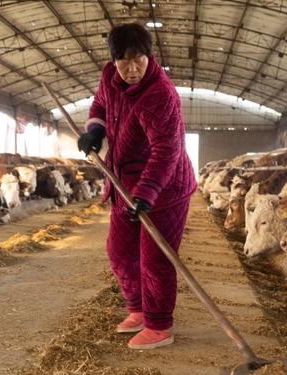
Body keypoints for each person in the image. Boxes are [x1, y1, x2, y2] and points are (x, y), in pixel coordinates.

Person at [78, 23, 197, 349]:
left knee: (155, 258)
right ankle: (139, 309)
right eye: (123, 61)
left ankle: (160, 326)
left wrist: (146, 193)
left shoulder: (160, 94)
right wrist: (95, 132)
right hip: (123, 182)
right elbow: (100, 106)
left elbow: (166, 151)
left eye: (138, 60)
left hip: (165, 187)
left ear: (150, 56)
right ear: (113, 61)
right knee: (119, 253)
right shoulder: (108, 77)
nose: (131, 69)